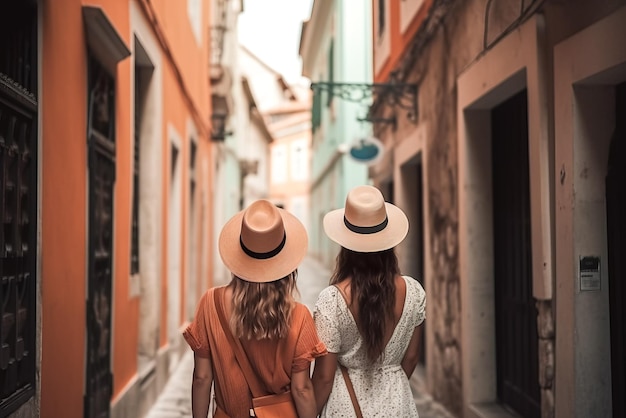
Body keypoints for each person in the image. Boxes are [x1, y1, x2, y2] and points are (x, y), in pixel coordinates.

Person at [183, 200, 327, 418]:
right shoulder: (299, 316)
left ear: (239, 254)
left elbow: (202, 378)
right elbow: (302, 389)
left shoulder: (210, 303)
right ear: (286, 262)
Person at [312, 185, 426, 417]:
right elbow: (412, 358)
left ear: (346, 244)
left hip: (345, 406)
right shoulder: (413, 291)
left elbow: (324, 377)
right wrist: (390, 386)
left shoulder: (332, 299)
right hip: (398, 404)